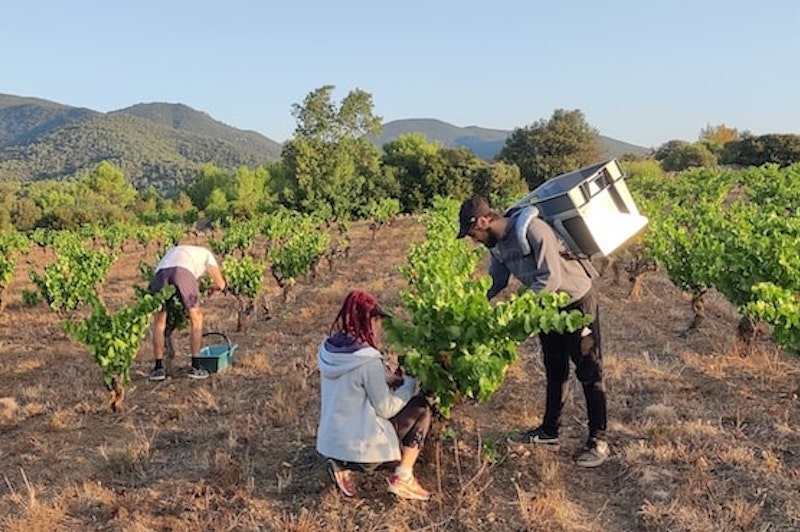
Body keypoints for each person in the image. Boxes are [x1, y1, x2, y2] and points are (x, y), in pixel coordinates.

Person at [456, 195, 609, 468]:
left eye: (473, 233)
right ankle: (549, 431)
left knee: (589, 369)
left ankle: (598, 439)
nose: (474, 240)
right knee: (554, 368)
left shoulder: (533, 229)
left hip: (575, 301)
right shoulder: (498, 248)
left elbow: (551, 278)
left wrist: (517, 308)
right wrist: (471, 307)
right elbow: (496, 282)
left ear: (483, 221)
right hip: (545, 309)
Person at [316, 289, 432, 500]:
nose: (379, 326)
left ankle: (341, 463)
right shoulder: (368, 359)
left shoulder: (328, 350)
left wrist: (386, 379)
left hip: (330, 443)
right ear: (368, 320)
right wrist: (409, 385)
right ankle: (403, 477)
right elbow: (385, 409)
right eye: (377, 320)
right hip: (361, 449)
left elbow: (351, 384)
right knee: (422, 408)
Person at [148, 245, 227, 381]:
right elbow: (221, 284)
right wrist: (212, 289)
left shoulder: (174, 251)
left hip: (160, 274)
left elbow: (167, 270)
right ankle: (196, 367)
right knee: (196, 319)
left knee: (159, 322)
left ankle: (158, 368)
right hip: (183, 273)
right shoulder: (207, 254)